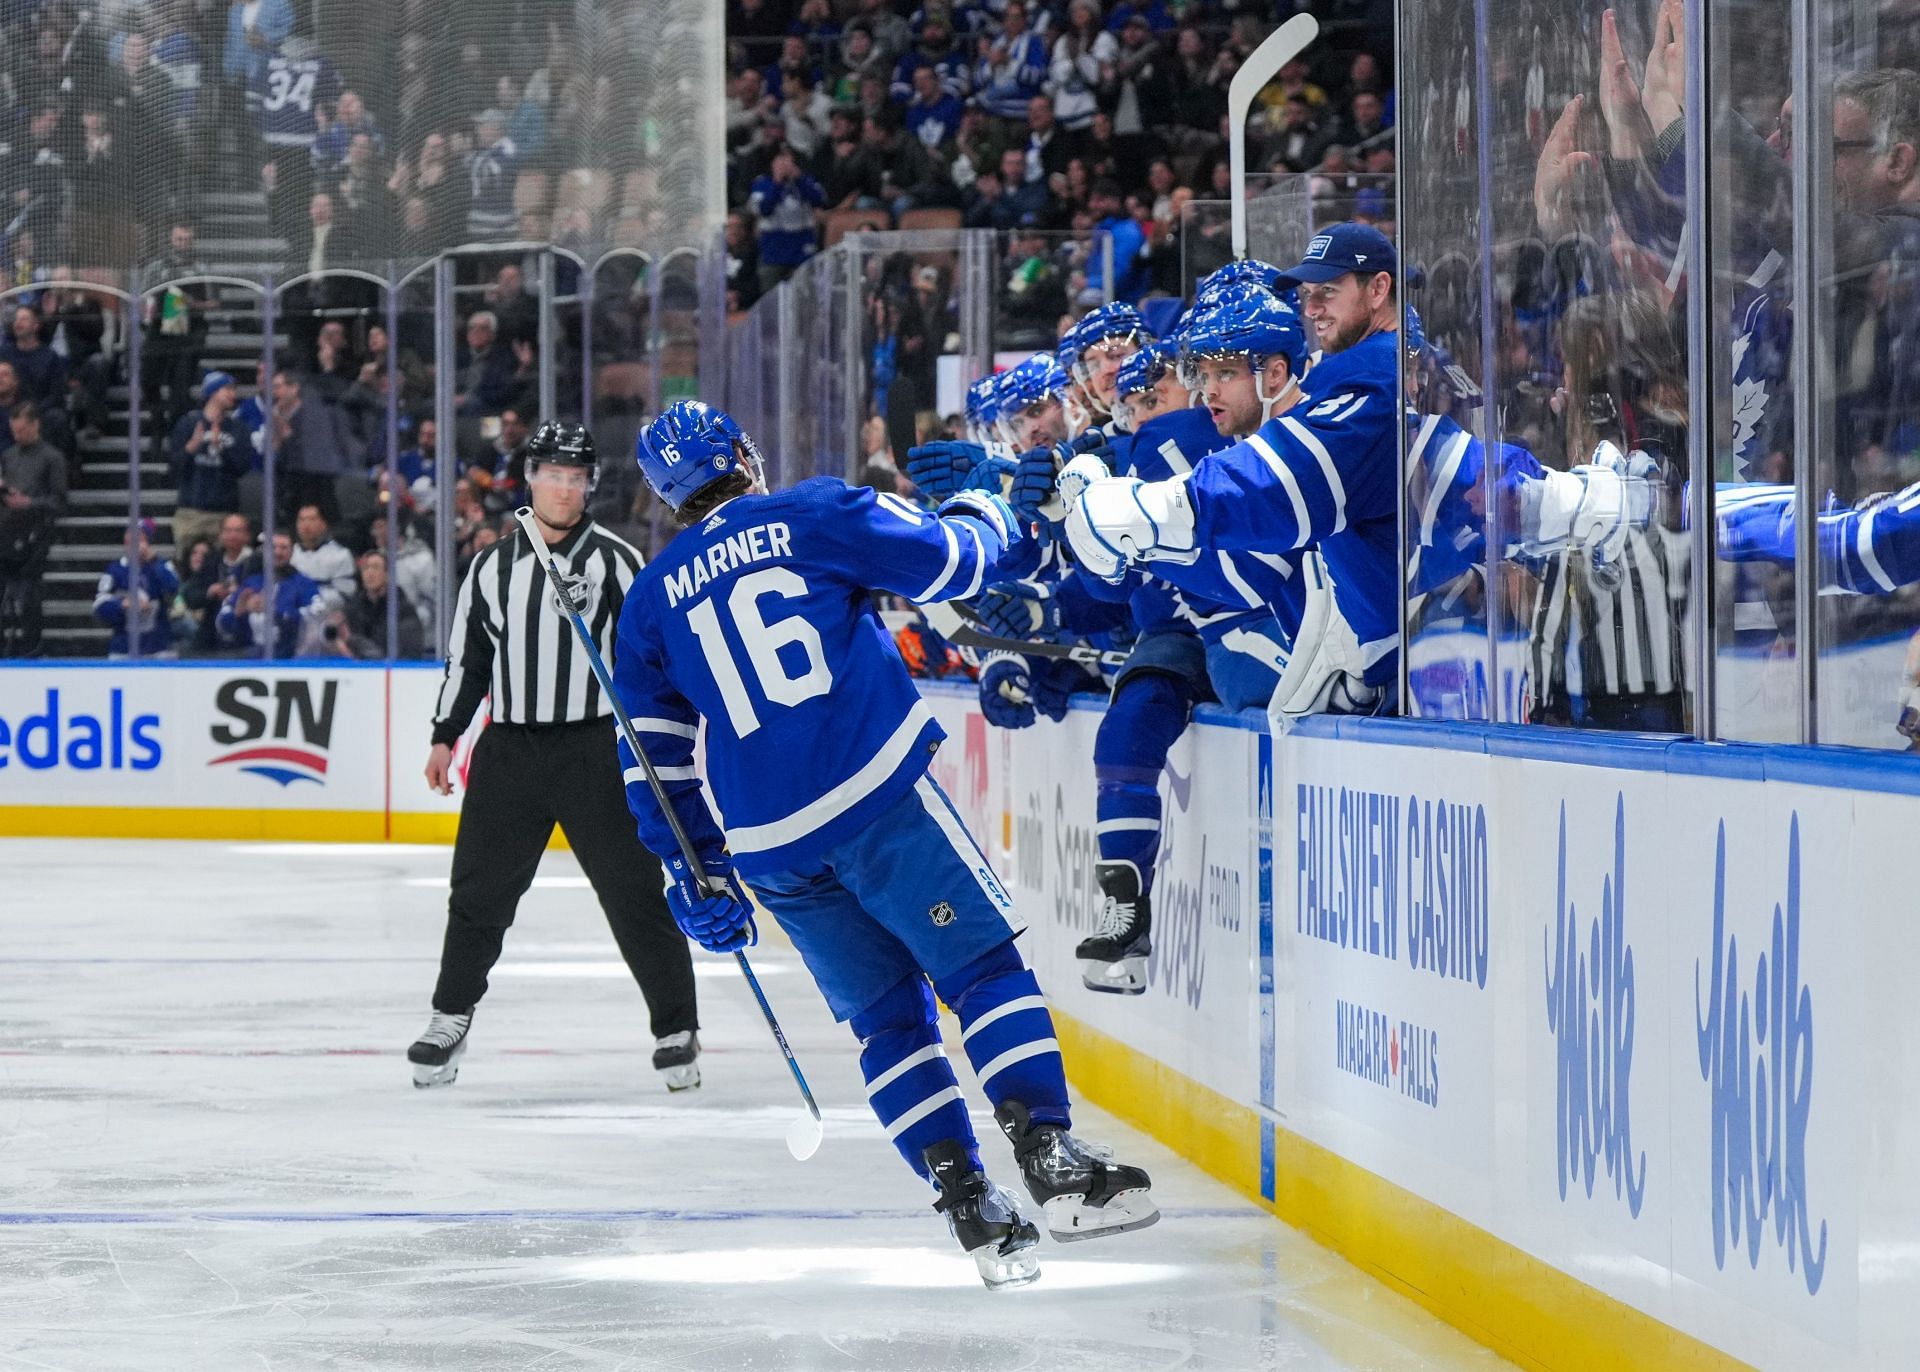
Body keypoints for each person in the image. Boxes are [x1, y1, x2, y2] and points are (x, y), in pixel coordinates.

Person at [615, 399, 1158, 1290]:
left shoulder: (648, 603)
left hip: (772, 851)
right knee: (981, 971)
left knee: (886, 1022)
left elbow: (652, 759)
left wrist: (694, 870)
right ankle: (1050, 1158)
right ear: (745, 455)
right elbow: (954, 563)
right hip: (877, 803)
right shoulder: (813, 512)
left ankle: (972, 1207)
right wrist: (996, 506)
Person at [412, 422, 700, 1094]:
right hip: (510, 752)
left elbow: (649, 656)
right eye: (552, 474)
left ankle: (675, 1027)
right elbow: (468, 660)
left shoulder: (619, 563)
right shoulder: (490, 568)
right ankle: (448, 1018)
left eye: (575, 477)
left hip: (594, 750)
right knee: (478, 895)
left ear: (588, 485)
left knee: (632, 894)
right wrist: (444, 735)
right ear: (530, 479)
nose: (563, 488)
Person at [0, 400, 66, 657]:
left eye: (22, 430)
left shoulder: (52, 458)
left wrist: (30, 502)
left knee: (28, 593)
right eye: (14, 431)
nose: (18, 436)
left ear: (35, 425)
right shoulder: (8, 456)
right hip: (7, 530)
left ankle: (31, 645)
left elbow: (59, 501)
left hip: (36, 533)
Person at [169, 371, 253, 552]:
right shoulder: (188, 424)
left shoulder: (238, 428)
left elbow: (242, 468)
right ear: (213, 392)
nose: (233, 394)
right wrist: (190, 448)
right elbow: (174, 466)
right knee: (187, 564)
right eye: (227, 389)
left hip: (223, 511)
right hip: (191, 510)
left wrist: (221, 449)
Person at [93, 519, 181, 658]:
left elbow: (173, 588)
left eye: (140, 538)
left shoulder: (162, 566)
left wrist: (154, 562)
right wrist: (122, 604)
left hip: (158, 648)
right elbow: (100, 605)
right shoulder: (115, 570)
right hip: (123, 648)